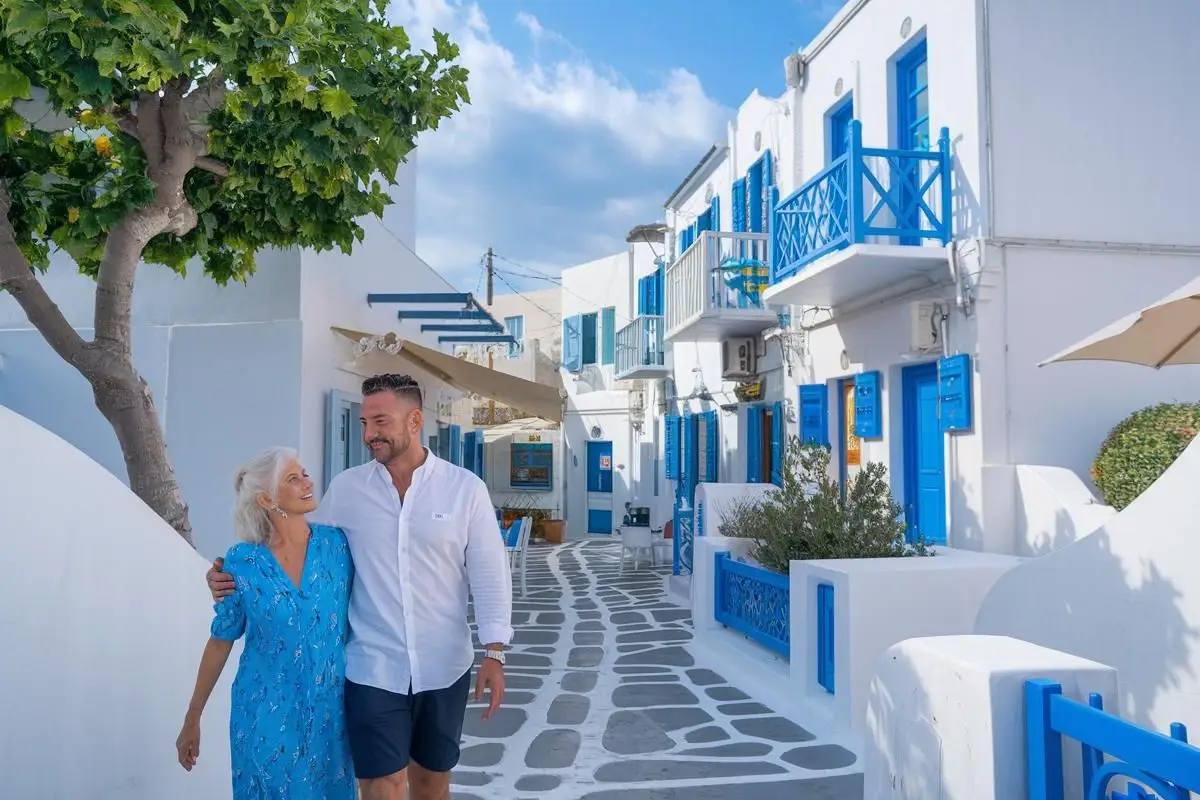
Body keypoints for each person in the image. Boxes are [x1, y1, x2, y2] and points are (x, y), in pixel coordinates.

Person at [206, 374, 513, 800]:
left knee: (430, 782)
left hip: (444, 666)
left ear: (414, 420)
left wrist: (494, 651)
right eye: (365, 423)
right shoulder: (348, 490)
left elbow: (489, 572)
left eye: (380, 422)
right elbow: (294, 543)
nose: (369, 434)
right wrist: (230, 574)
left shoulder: (465, 490)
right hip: (372, 667)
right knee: (381, 784)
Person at [177, 447, 356, 799]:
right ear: (267, 499)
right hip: (265, 717)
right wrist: (192, 716)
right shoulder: (242, 561)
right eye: (294, 478)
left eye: (304, 474)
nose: (308, 482)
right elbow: (221, 639)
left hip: (330, 717)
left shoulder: (338, 547)